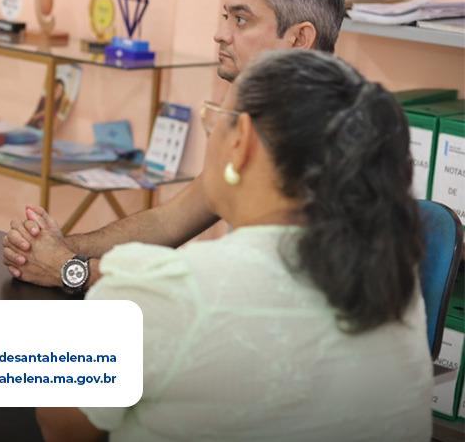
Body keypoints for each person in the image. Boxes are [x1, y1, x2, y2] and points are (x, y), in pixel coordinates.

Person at [35, 51, 431, 442]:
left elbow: (63, 427)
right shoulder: (394, 280)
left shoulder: (168, 291)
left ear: (240, 141)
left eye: (214, 120)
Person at [2, 0, 346, 287]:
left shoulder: (317, 144)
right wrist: (58, 249)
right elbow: (167, 222)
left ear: (299, 39)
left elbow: (211, 285)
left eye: (241, 20)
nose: (221, 34)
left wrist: (66, 269)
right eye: (226, 17)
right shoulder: (266, 120)